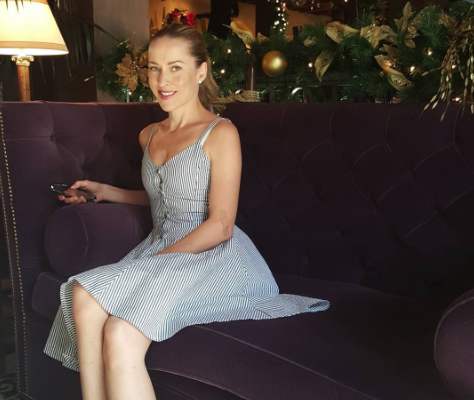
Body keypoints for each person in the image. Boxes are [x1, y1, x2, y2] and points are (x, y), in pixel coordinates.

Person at [43, 23, 330, 400]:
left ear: (201, 70)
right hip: (162, 248)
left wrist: (154, 263)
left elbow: (221, 224)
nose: (162, 80)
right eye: (154, 68)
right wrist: (104, 192)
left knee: (118, 329)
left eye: (175, 67)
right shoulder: (148, 135)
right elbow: (165, 197)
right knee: (83, 295)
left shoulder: (221, 133)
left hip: (215, 256)